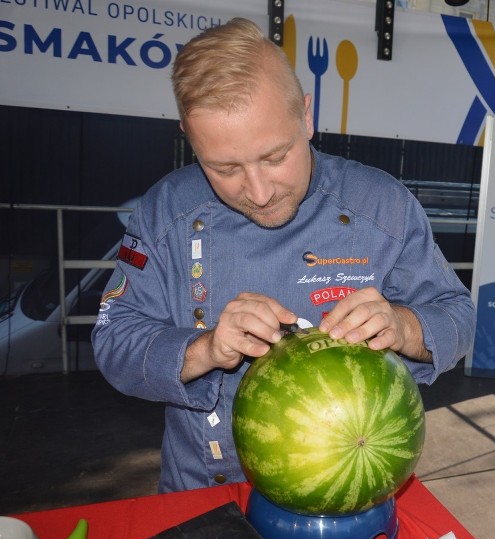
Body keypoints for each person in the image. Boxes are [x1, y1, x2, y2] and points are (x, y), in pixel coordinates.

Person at [92, 18, 475, 494]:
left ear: (307, 117)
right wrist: (207, 348)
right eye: (224, 167)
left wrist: (404, 326)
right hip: (204, 491)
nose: (257, 190)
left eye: (275, 157)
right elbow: (114, 341)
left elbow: (459, 316)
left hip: (351, 494)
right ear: (190, 141)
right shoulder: (165, 212)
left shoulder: (382, 206)